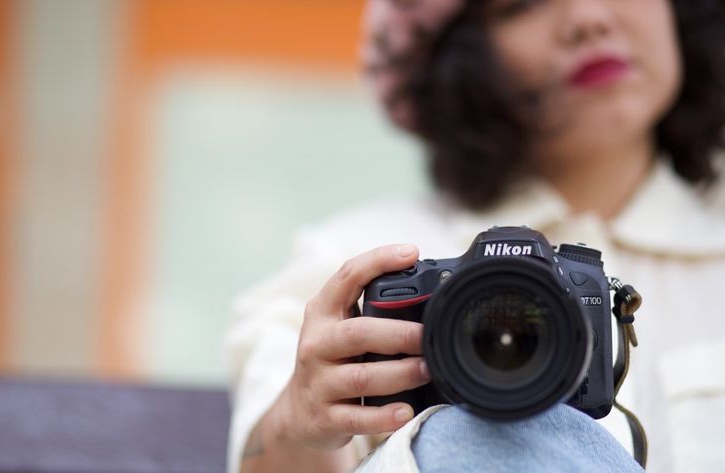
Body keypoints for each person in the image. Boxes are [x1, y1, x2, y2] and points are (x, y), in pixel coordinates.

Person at [225, 0, 725, 472]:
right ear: (461, 53)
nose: (588, 19)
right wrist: (298, 419)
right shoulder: (355, 261)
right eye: (523, 4)